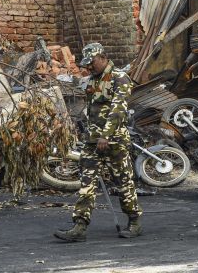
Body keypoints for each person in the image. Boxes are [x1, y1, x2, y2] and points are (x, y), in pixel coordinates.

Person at [54, 43, 142, 242]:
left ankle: (134, 221)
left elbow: (118, 110)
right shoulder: (92, 80)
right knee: (87, 183)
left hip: (114, 141)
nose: (89, 68)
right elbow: (90, 109)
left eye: (92, 63)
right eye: (87, 65)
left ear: (102, 57)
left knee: (123, 183)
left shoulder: (120, 78)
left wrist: (106, 136)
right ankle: (79, 226)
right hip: (92, 141)